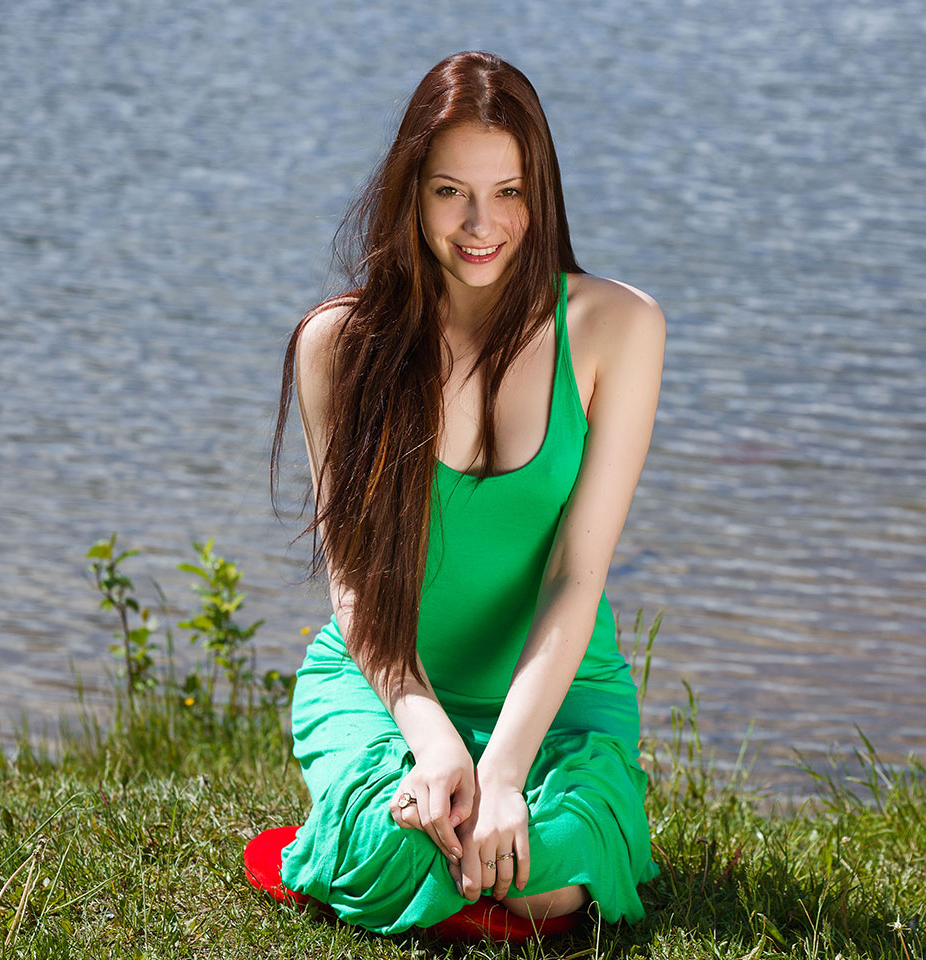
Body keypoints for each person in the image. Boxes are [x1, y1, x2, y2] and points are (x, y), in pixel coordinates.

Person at [267, 50, 666, 936]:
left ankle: (502, 829)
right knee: (409, 848)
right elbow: (354, 583)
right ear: (410, 192)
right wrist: (433, 739)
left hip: (559, 704)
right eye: (451, 191)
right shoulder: (339, 344)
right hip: (387, 686)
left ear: (540, 194)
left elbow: (575, 577)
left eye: (508, 192)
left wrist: (507, 773)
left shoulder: (617, 328)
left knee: (541, 873)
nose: (481, 225)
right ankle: (394, 820)